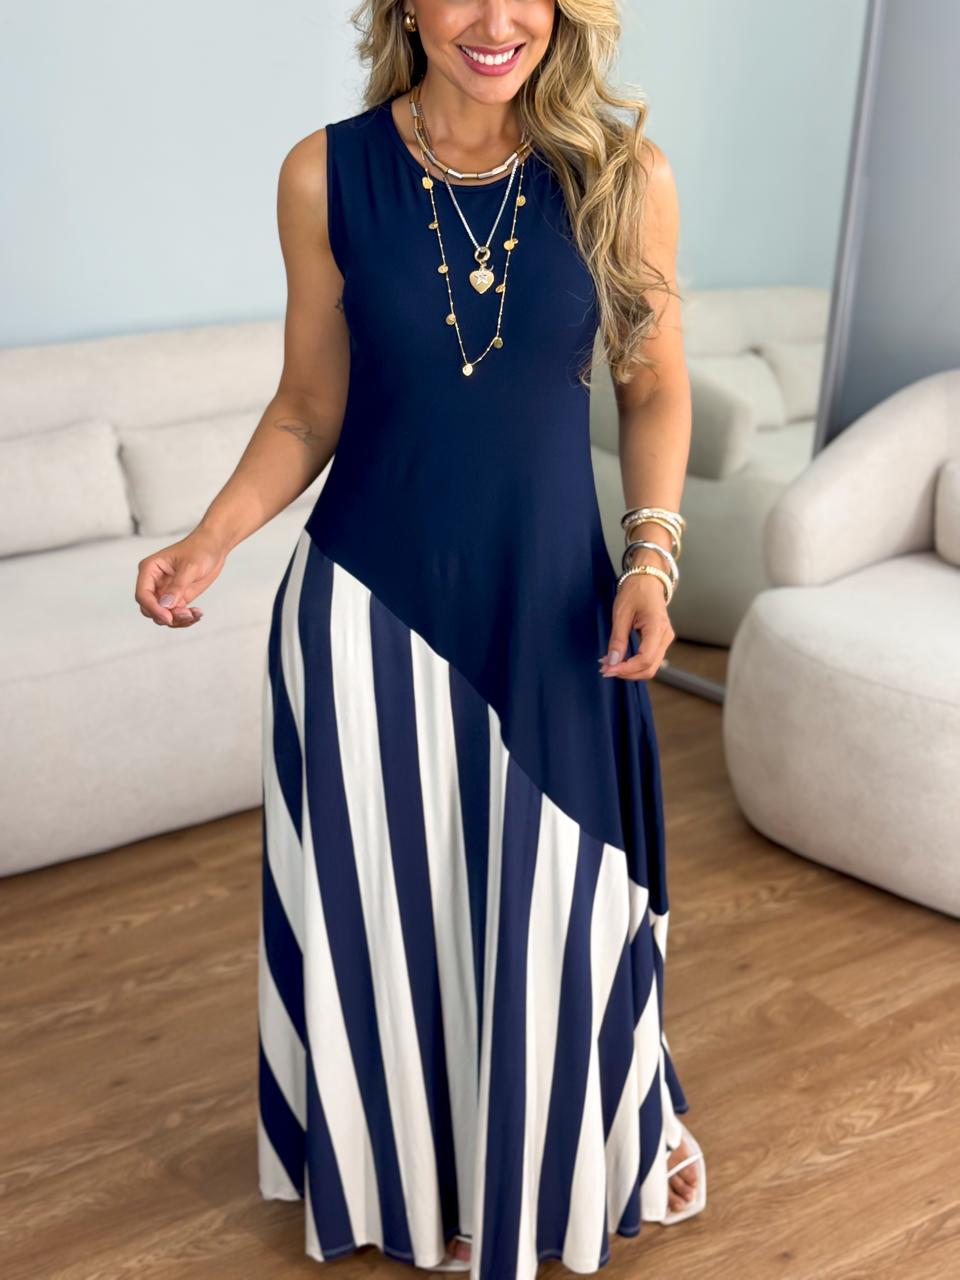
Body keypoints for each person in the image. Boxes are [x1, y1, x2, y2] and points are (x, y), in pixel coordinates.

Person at [134, 1, 704, 1274]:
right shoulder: (324, 173)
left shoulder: (622, 173)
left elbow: (655, 380)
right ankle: (412, 1180)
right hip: (364, 616)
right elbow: (307, 405)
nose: (495, 21)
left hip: (550, 612)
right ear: (404, 6)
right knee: (389, 923)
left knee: (563, 907)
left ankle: (574, 1142)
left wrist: (651, 554)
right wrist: (213, 537)